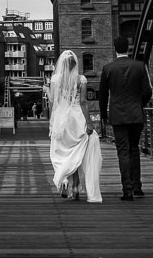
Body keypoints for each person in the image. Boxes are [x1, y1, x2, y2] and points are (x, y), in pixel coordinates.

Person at [99, 35, 153, 201]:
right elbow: (148, 91)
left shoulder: (108, 69)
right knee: (134, 148)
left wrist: (103, 115)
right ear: (128, 48)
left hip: (118, 116)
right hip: (136, 115)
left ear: (115, 49)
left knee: (123, 151)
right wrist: (139, 104)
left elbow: (102, 95)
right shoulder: (139, 66)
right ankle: (138, 187)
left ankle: (127, 190)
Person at [48, 50, 102, 203]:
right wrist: (89, 122)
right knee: (76, 154)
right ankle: (76, 186)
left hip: (61, 120)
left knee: (64, 154)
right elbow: (83, 102)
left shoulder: (55, 79)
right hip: (77, 119)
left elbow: (53, 103)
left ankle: (68, 182)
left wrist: (52, 124)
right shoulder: (81, 79)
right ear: (74, 64)